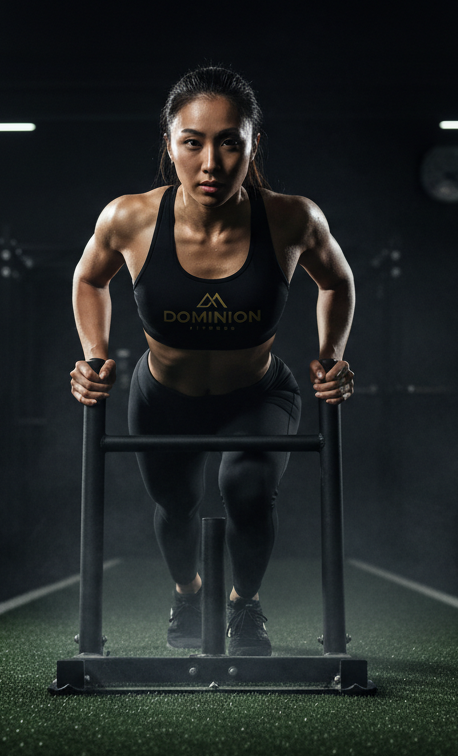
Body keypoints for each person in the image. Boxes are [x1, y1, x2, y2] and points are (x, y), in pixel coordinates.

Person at [69, 66, 355, 656]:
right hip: (162, 395)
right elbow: (88, 278)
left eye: (230, 142)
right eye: (192, 141)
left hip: (256, 394)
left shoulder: (291, 218)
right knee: (175, 504)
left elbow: (338, 280)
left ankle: (244, 607)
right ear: (170, 145)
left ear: (252, 147)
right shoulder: (129, 218)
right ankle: (188, 592)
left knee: (246, 487)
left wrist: (331, 357)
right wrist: (94, 355)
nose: (211, 163)